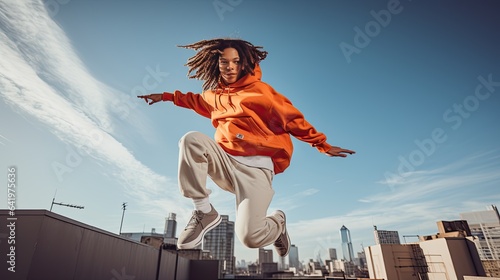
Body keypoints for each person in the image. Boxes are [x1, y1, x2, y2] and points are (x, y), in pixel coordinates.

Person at [138, 38, 355, 257]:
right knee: (191, 140)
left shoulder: (262, 93)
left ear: (244, 64)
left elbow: (293, 120)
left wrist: (322, 145)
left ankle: (278, 223)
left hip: (256, 170)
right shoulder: (214, 96)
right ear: (217, 63)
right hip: (225, 161)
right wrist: (165, 96)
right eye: (224, 62)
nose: (230, 67)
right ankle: (204, 211)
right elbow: (192, 100)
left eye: (236, 61)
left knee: (251, 238)